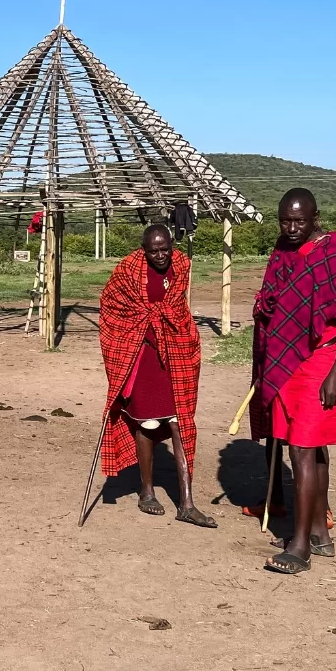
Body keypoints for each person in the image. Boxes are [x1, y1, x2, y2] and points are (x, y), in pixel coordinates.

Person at [250, 188, 336, 574]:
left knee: (303, 451)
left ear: (315, 217)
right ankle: (319, 533)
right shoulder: (283, 250)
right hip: (287, 360)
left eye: (299, 221)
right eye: (285, 220)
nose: (291, 228)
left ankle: (300, 547)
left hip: (322, 361)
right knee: (309, 448)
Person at [97, 224, 209, 526]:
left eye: (165, 249)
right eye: (154, 250)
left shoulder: (182, 265)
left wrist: (174, 331)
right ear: (143, 250)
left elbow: (178, 311)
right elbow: (110, 307)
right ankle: (146, 491)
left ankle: (186, 502)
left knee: (179, 422)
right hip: (143, 356)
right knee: (147, 422)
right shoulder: (128, 271)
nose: (161, 255)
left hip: (175, 352)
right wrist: (134, 336)